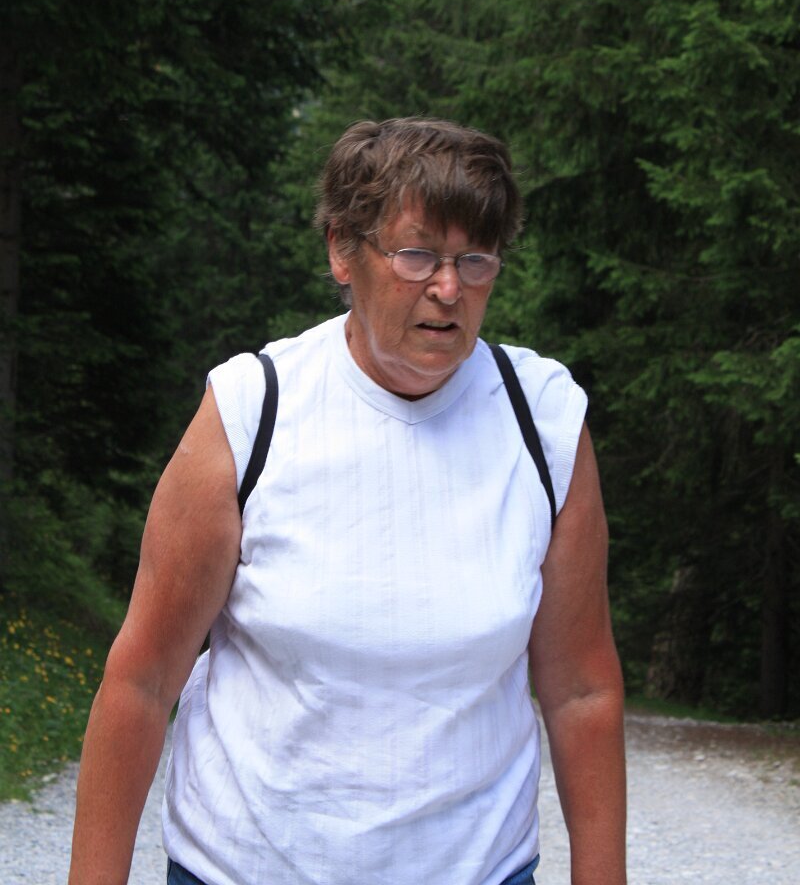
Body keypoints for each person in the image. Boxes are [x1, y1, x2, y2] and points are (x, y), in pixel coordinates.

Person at [69, 117, 626, 885]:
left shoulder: (545, 422)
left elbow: (582, 691)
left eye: (475, 258)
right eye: (417, 254)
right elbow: (142, 681)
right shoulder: (253, 410)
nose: (449, 288)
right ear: (342, 249)